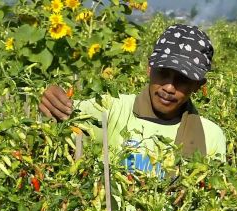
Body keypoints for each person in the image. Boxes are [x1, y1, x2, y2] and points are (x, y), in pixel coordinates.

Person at [39, 24, 226, 175]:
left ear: (198, 85)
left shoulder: (210, 136)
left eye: (182, 80)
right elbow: (60, 115)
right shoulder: (112, 108)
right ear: (149, 69)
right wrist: (50, 98)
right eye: (163, 73)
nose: (169, 87)